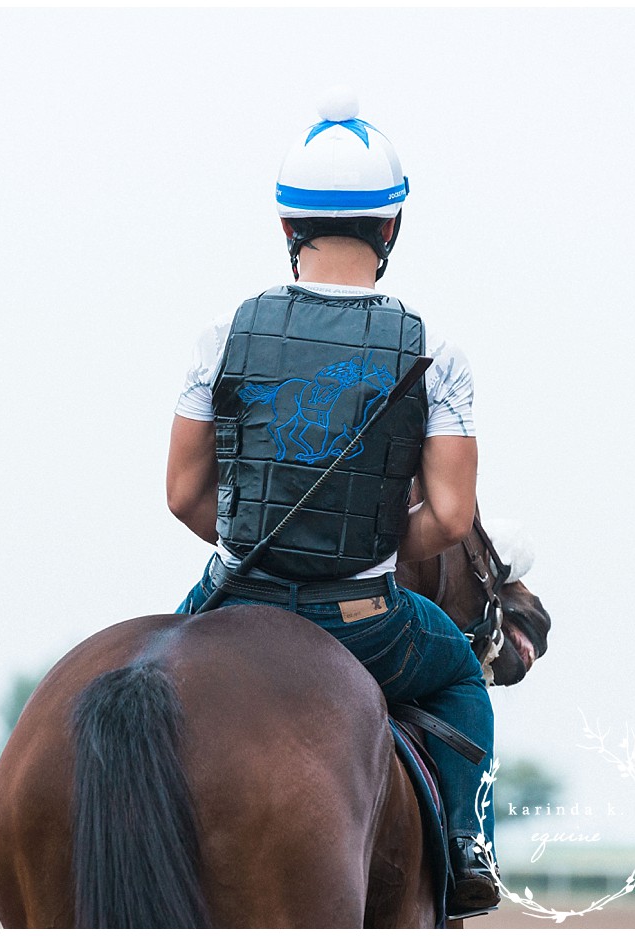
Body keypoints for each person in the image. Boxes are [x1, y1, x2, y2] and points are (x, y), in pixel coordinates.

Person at [165, 87, 499, 918]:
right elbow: (453, 519)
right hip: (361, 616)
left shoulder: (223, 331)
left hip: (231, 592)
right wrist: (360, 546)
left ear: (287, 227)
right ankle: (465, 849)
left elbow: (181, 495)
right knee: (461, 676)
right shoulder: (435, 351)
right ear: (390, 228)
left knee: (154, 669)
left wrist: (257, 543)